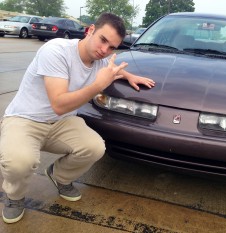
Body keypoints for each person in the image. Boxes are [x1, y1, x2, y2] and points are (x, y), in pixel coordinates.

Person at [0, 12, 155, 224]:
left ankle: (59, 176)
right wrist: (98, 85)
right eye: (103, 40)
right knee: (20, 162)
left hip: (62, 123)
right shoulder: (57, 51)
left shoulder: (100, 62)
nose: (104, 50)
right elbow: (58, 104)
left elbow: (113, 71)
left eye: (112, 47)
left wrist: (130, 76)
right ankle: (14, 197)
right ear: (90, 30)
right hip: (25, 119)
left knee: (95, 147)